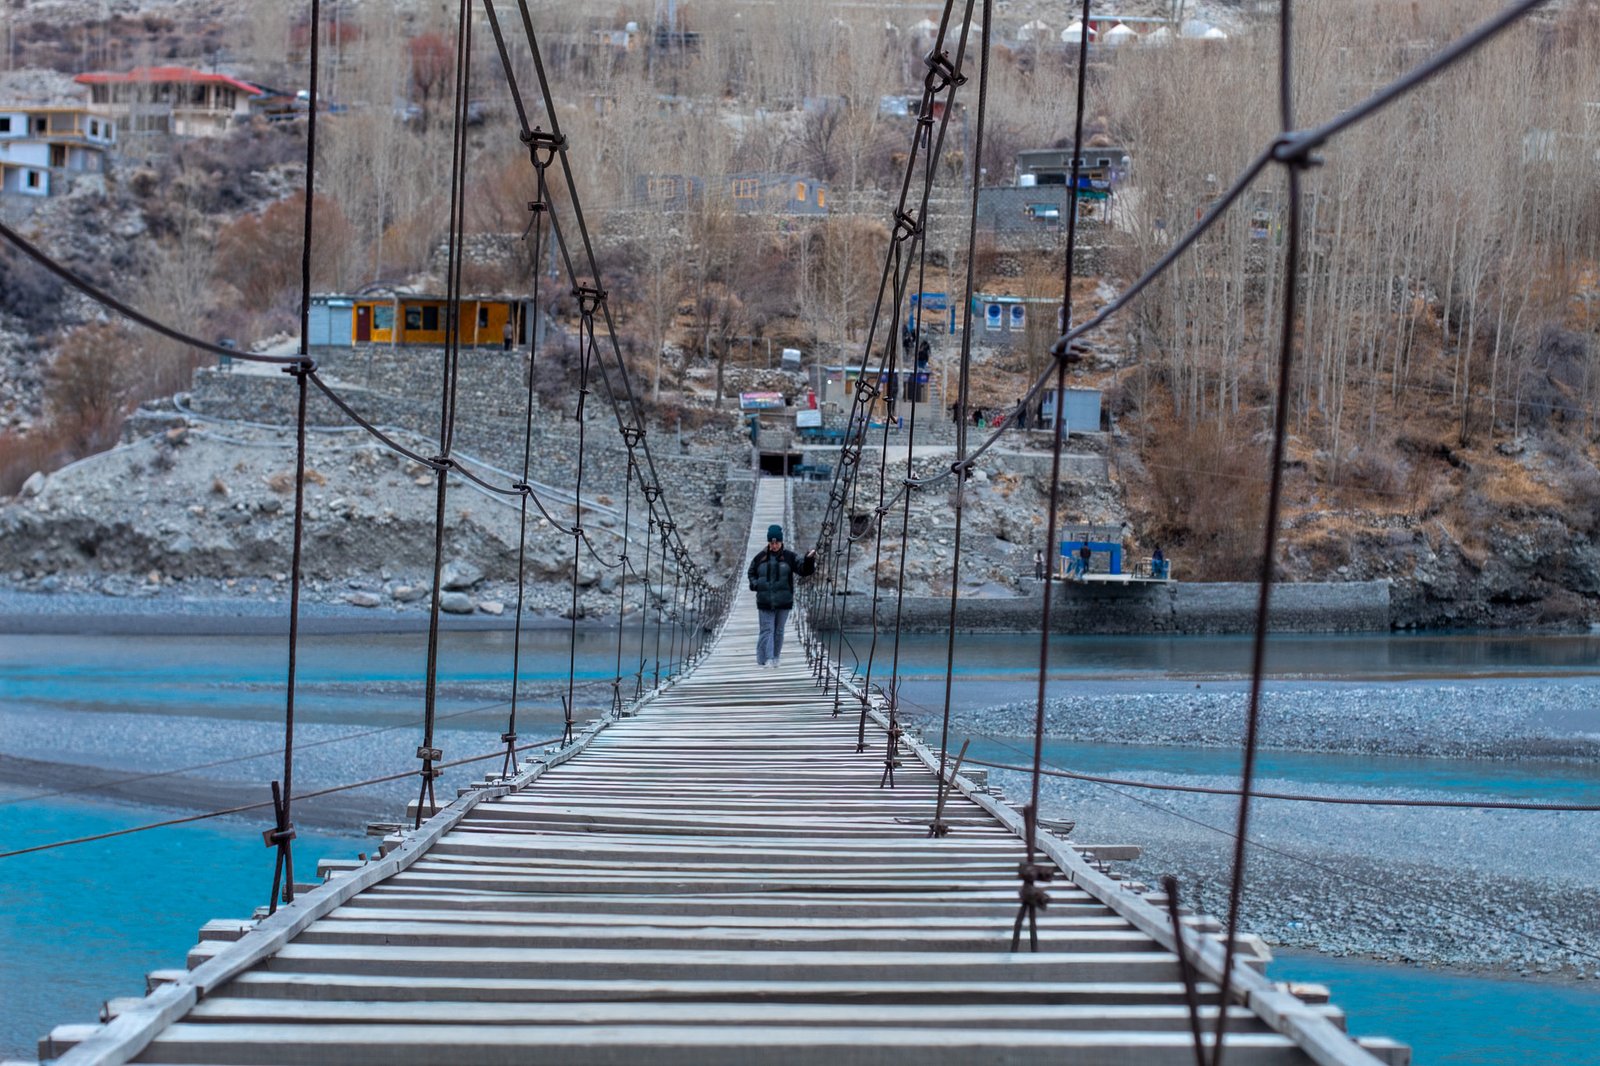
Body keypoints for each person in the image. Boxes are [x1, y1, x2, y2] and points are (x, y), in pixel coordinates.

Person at [747, 524, 817, 668]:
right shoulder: (760, 557)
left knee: (779, 631)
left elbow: (804, 570)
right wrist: (755, 584)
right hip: (765, 601)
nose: (774, 546)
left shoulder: (790, 557)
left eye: (777, 542)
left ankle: (775, 658)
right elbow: (751, 573)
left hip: (784, 601)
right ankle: (767, 659)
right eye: (771, 543)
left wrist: (809, 560)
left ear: (781, 541)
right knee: (767, 630)